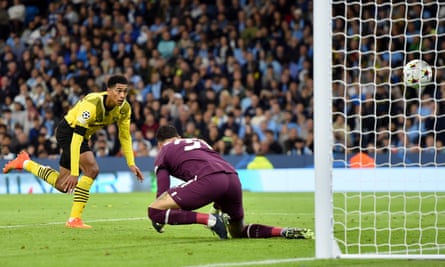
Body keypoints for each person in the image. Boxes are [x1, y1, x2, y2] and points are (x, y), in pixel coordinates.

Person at [3, 75, 144, 228]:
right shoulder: (92, 105)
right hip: (68, 131)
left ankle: (24, 162)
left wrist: (131, 163)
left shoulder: (124, 109)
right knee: (92, 169)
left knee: (62, 185)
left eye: (125, 91)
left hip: (82, 137)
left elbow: (124, 136)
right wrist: (75, 173)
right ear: (108, 91)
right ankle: (74, 219)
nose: (122, 95)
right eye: (118, 91)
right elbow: (76, 139)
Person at [148, 124, 314, 240]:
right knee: (238, 231)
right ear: (178, 136)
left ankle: (210, 220)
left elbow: (162, 192)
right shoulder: (199, 141)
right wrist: (218, 206)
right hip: (232, 177)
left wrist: (160, 216)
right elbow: (212, 165)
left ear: (160, 143)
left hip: (210, 179)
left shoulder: (164, 150)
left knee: (154, 211)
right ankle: (282, 231)